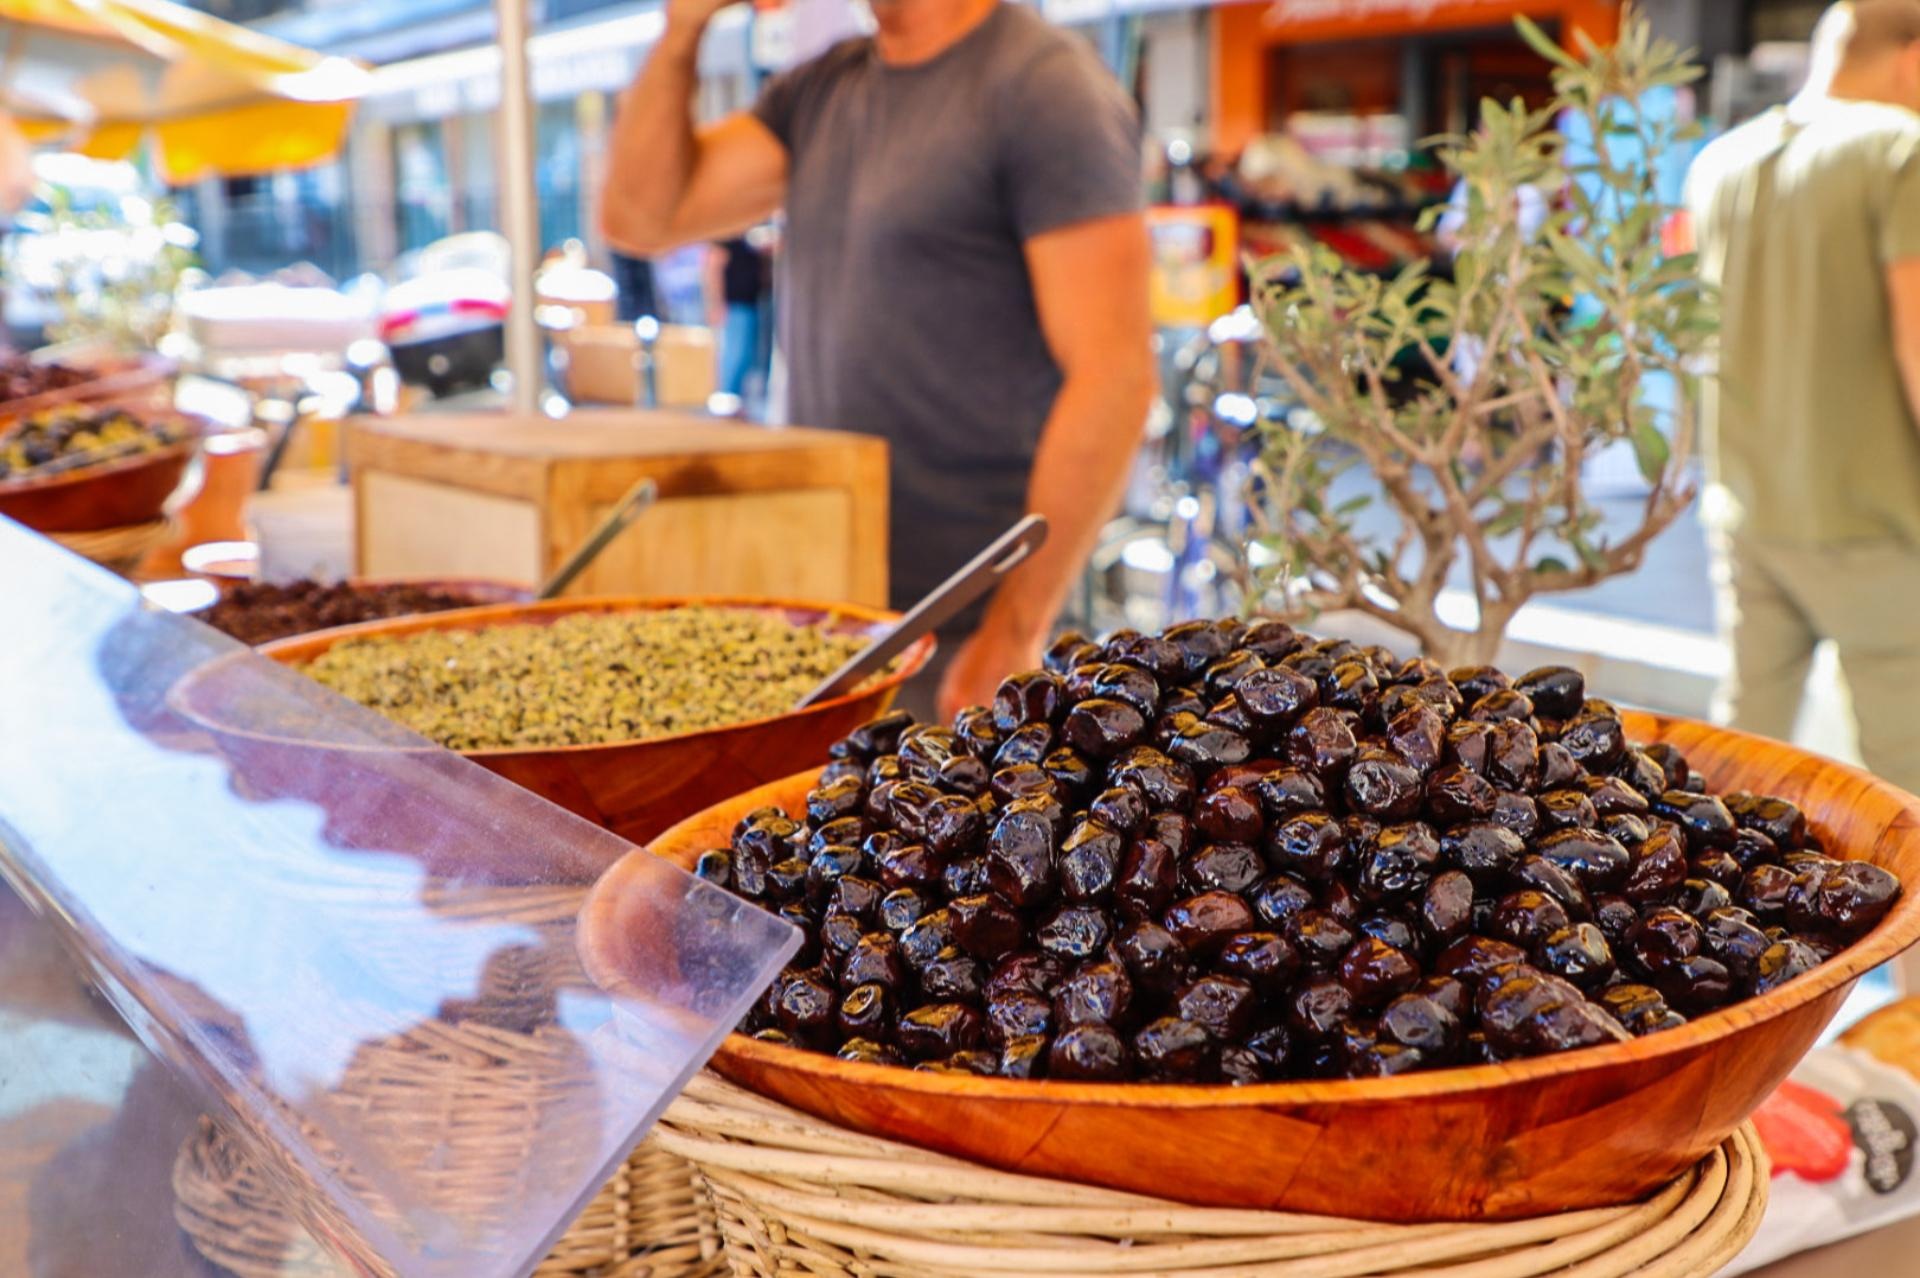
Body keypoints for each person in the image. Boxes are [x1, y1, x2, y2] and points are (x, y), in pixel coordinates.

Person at [599, 0, 1155, 720]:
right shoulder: (821, 89)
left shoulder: (1043, 85)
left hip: (964, 631)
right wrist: (681, 32)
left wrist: (1016, 626)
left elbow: (1113, 375)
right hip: (829, 614)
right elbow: (641, 219)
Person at [1684, 0, 1920, 791]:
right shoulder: (1900, 150)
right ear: (1910, 58)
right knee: (1905, 774)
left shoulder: (1719, 160)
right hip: (1872, 516)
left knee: (1740, 757)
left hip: (1746, 507)